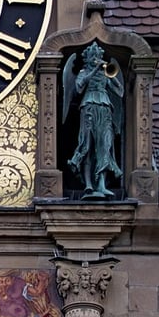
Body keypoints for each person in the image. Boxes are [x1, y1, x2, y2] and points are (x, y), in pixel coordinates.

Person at [63, 40, 123, 198]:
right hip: (88, 107)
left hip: (105, 108)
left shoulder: (105, 74)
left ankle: (102, 184)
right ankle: (89, 184)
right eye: (93, 57)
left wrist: (111, 74)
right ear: (88, 59)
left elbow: (120, 91)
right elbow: (78, 88)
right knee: (88, 145)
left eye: (97, 57)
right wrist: (95, 68)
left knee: (105, 146)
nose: (96, 59)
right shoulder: (83, 73)